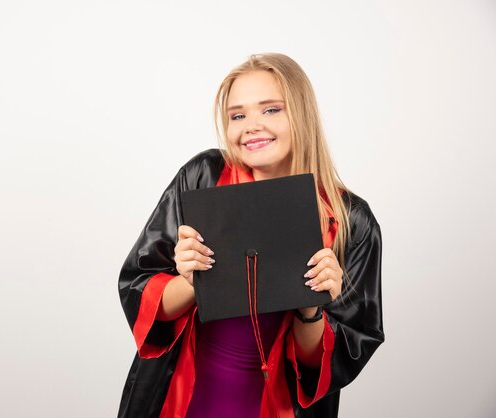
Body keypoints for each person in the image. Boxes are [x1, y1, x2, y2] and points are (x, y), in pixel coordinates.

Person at [118, 53, 384, 418]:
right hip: (182, 401)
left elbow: (322, 369)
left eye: (271, 110)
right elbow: (142, 296)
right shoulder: (204, 178)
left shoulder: (351, 223)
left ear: (302, 114)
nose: (251, 126)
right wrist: (190, 280)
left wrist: (310, 309)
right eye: (237, 115)